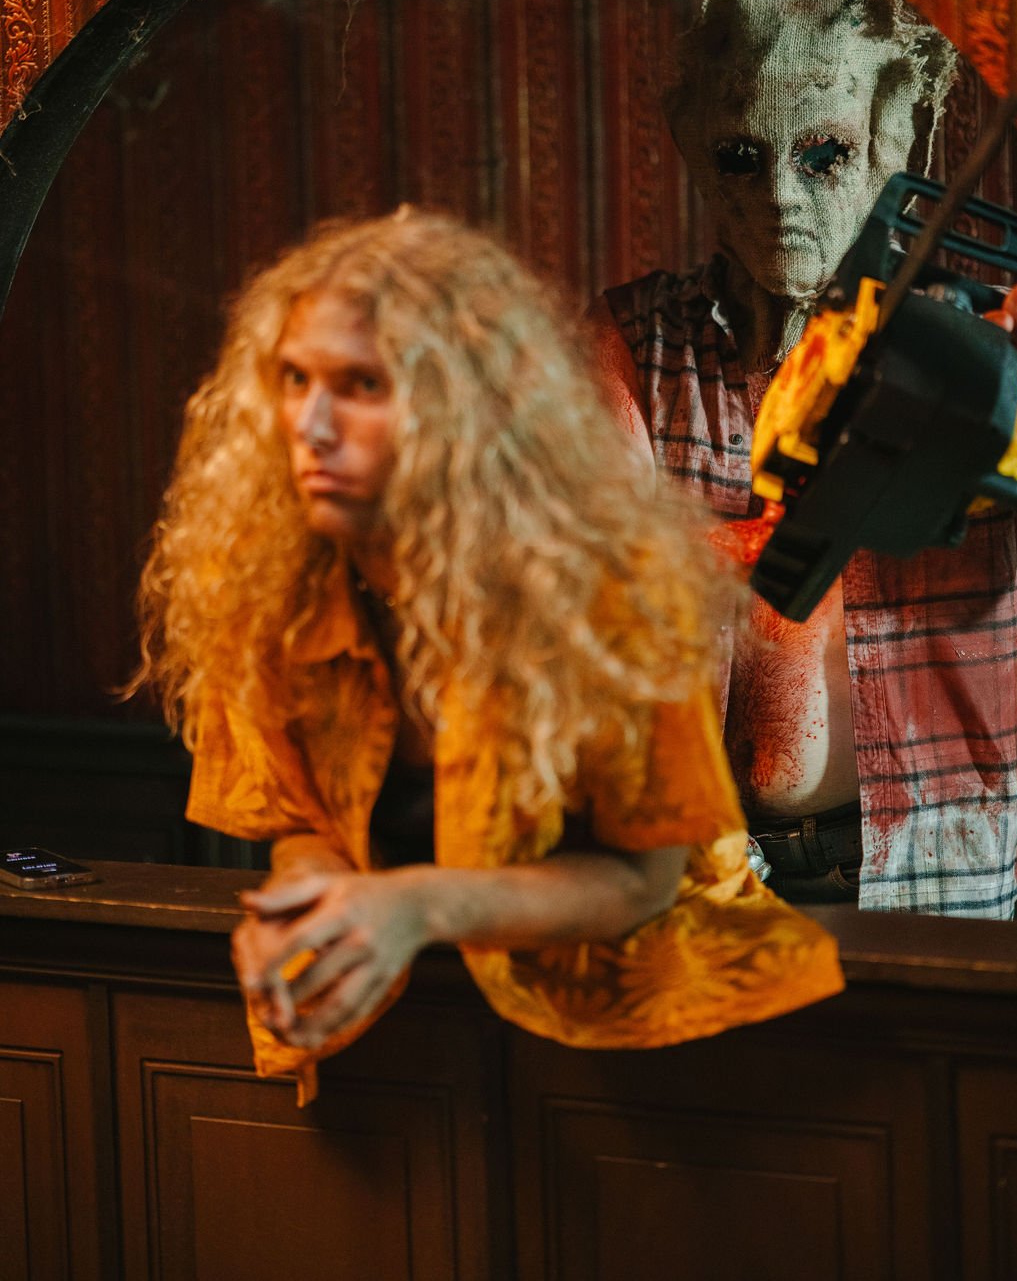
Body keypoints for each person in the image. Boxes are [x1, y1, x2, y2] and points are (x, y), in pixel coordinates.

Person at [134, 207, 841, 1101]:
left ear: (460, 407)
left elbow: (644, 879)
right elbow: (302, 821)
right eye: (294, 378)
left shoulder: (605, 588)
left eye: (361, 384)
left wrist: (416, 904)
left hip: (653, 1021)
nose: (310, 423)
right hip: (419, 1030)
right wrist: (307, 914)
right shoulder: (268, 585)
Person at [589, 0, 1017, 919]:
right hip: (706, 877)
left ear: (894, 135)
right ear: (692, 146)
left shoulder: (992, 341)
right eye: (741, 154)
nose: (781, 196)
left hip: (939, 867)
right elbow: (591, 608)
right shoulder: (632, 345)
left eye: (822, 151)